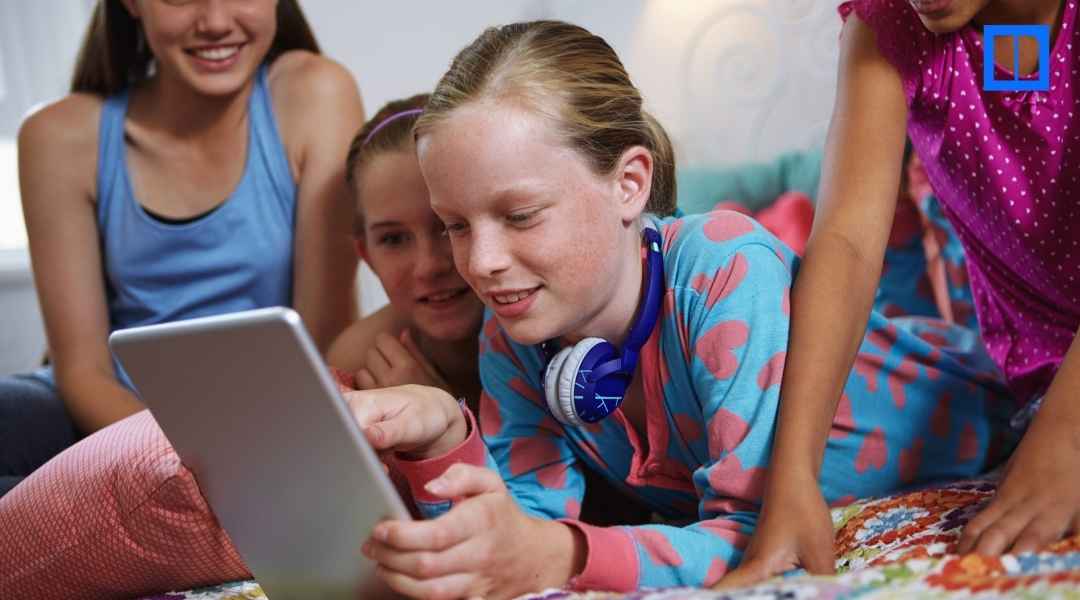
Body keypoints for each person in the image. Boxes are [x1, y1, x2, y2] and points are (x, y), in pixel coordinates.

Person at [342, 20, 1014, 598]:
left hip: (991, 415)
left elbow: (760, 533)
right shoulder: (513, 335)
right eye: (457, 225)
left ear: (629, 184)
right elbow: (515, 533)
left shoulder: (723, 270)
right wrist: (439, 438)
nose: (481, 261)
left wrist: (567, 554)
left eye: (520, 215)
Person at [723, 0, 1080, 585]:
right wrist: (792, 481)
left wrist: (1067, 437)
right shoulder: (890, 28)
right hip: (1039, 388)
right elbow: (846, 246)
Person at [0, 0, 363, 497]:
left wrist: (236, 465)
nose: (215, 22)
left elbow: (324, 346)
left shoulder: (316, 93)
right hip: (114, 418)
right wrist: (182, 459)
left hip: (269, 424)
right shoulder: (58, 136)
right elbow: (83, 373)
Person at [328, 94, 485, 407]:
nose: (429, 266)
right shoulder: (357, 364)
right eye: (394, 239)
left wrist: (442, 411)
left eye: (449, 225)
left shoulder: (556, 339)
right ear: (367, 256)